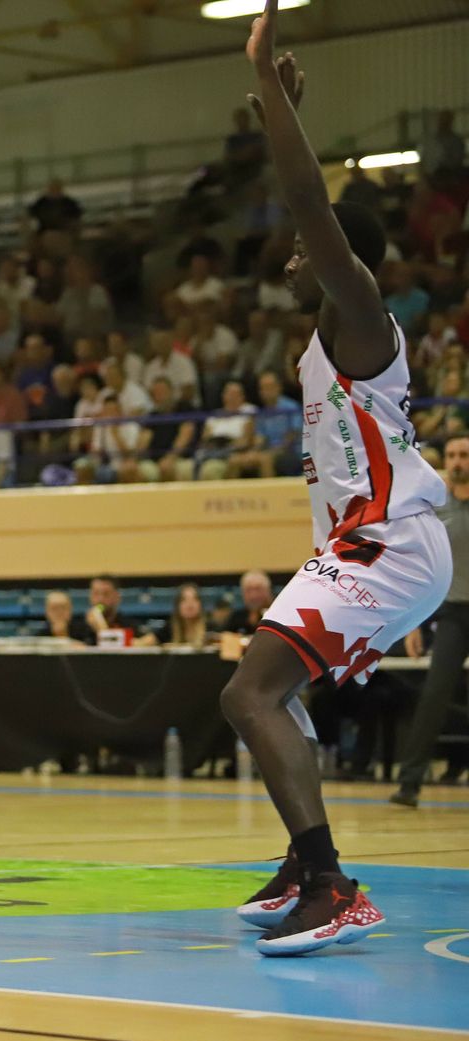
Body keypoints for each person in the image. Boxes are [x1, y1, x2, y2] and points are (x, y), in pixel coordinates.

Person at [225, 5, 448, 957]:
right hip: (369, 546)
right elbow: (304, 212)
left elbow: (311, 206)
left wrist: (275, 96)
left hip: (390, 545)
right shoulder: (327, 341)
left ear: (332, 256)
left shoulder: (363, 321)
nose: (286, 251)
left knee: (250, 695)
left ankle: (330, 881)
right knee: (274, 695)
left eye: (302, 245)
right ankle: (303, 860)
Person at [392, 435, 469, 807]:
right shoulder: (435, 507)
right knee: (434, 695)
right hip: (452, 614)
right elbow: (418, 568)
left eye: (464, 455)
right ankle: (409, 784)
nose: (457, 461)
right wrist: (414, 623)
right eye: (452, 455)